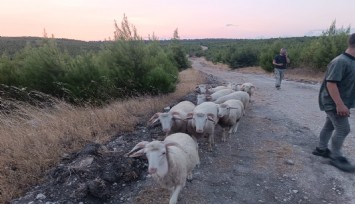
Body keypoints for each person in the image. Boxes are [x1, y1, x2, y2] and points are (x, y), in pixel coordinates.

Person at [312, 33, 355, 173]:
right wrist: (340, 104)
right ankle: (336, 157)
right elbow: (331, 84)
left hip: (340, 102)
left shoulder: (351, 61)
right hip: (333, 102)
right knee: (343, 129)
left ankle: (321, 149)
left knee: (329, 125)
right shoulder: (340, 61)